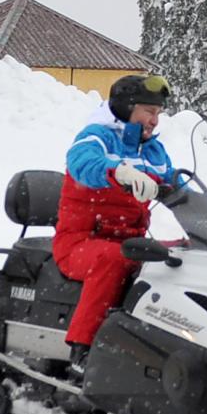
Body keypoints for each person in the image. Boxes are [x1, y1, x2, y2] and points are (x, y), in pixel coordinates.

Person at [53, 74, 175, 380]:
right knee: (113, 259)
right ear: (127, 107)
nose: (154, 121)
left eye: (158, 113)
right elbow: (81, 164)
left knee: (179, 259)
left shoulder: (152, 151)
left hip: (132, 242)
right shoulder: (96, 137)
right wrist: (117, 173)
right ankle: (84, 348)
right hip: (80, 243)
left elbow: (179, 185)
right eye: (149, 111)